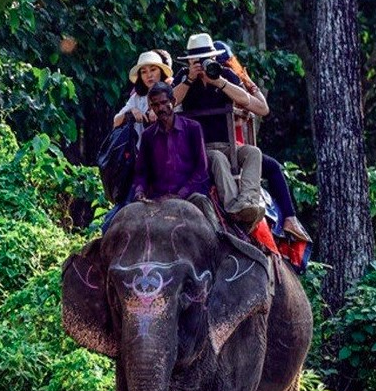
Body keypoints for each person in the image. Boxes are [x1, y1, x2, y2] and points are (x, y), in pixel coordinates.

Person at [213, 40, 310, 243]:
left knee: (269, 164)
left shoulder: (231, 82)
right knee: (270, 166)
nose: (221, 68)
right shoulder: (207, 86)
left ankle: (288, 219)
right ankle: (287, 218)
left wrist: (246, 81)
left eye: (225, 64)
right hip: (217, 148)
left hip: (237, 147)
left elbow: (262, 108)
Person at [173, 33, 264, 225]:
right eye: (198, 61)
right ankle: (233, 208)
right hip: (200, 147)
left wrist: (219, 82)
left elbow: (247, 102)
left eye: (207, 60)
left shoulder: (225, 75)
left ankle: (248, 201)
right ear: (190, 61)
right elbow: (170, 102)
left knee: (253, 153)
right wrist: (189, 79)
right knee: (218, 158)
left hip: (227, 143)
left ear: (214, 58)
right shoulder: (183, 76)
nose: (204, 64)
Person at [129, 83, 218, 228]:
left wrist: (180, 194)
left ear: (173, 102)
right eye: (155, 105)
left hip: (191, 196)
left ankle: (219, 241)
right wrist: (140, 191)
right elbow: (141, 172)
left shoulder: (193, 128)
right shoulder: (148, 135)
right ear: (151, 107)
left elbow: (201, 170)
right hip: (158, 199)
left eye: (164, 102)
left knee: (204, 207)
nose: (160, 108)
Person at [112, 51, 173, 137]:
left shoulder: (172, 92)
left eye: (153, 70)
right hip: (141, 148)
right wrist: (130, 112)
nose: (149, 75)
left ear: (161, 72)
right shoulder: (136, 98)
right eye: (144, 72)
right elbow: (116, 122)